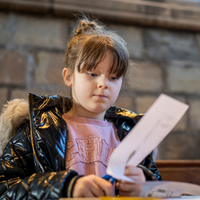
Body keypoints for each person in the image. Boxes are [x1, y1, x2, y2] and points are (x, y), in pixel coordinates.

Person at [0, 16, 162, 199]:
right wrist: (65, 186)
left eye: (114, 77)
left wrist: (145, 185)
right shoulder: (38, 128)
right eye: (93, 74)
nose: (103, 83)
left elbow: (160, 188)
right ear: (68, 76)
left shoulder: (131, 131)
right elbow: (5, 187)